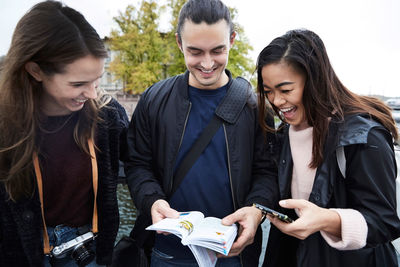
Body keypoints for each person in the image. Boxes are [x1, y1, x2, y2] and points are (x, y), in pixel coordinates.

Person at [124, 0, 278, 266]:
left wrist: (256, 211)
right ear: (179, 43)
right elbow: (137, 164)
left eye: (217, 50)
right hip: (167, 252)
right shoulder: (153, 99)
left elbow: (267, 172)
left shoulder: (254, 107)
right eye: (195, 51)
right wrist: (151, 201)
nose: (207, 63)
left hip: (233, 253)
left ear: (232, 40)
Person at [256, 28, 400, 267]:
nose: (277, 102)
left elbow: (385, 222)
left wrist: (327, 220)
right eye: (268, 91)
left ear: (315, 80)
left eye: (286, 90)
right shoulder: (282, 134)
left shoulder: (364, 136)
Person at [0, 1, 129, 266]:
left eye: (97, 80)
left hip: (92, 251)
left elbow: (141, 163)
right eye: (78, 84)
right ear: (35, 70)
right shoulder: (4, 127)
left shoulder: (107, 114)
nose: (93, 94)